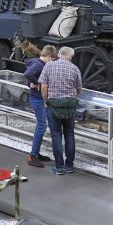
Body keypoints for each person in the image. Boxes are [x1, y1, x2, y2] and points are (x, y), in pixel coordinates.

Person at [39, 45, 82, 175]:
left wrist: (45, 101)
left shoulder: (49, 66)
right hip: (70, 106)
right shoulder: (75, 68)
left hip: (53, 105)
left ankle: (59, 167)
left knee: (56, 135)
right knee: (69, 134)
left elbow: (43, 87)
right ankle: (69, 165)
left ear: (59, 54)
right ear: (70, 56)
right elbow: (79, 89)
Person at [23, 44, 54, 167]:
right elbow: (28, 74)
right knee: (42, 125)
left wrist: (33, 83)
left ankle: (36, 153)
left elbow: (28, 76)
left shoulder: (35, 62)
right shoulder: (39, 65)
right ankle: (33, 155)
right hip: (37, 99)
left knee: (41, 125)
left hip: (37, 98)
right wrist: (38, 83)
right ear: (49, 56)